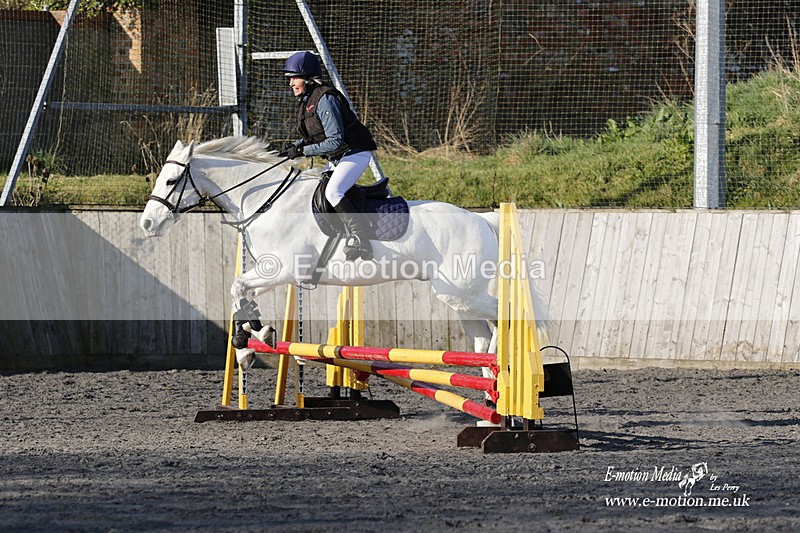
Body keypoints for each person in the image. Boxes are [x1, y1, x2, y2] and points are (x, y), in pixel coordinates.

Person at [279, 51, 377, 261]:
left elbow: (335, 141)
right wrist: (292, 147)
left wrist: (302, 152)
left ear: (306, 77)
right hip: (338, 157)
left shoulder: (325, 98)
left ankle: (361, 239)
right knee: (317, 191)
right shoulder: (307, 102)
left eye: (294, 78)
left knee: (334, 192)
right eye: (290, 79)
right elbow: (315, 137)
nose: (291, 83)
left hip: (355, 152)